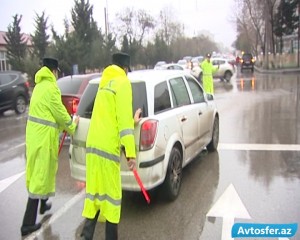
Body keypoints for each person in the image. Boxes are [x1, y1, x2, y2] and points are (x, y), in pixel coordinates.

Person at [80, 52, 142, 240]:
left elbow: (109, 117)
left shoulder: (104, 83)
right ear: (125, 69)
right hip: (108, 150)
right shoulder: (123, 83)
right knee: (113, 199)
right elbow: (122, 123)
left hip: (93, 148)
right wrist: (131, 153)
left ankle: (85, 237)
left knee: (95, 196)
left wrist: (132, 121)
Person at [20, 57, 80, 236]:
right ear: (54, 71)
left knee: (42, 173)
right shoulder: (51, 88)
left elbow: (48, 114)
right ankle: (27, 224)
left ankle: (43, 203)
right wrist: (72, 125)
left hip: (34, 138)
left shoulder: (38, 87)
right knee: (40, 177)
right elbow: (60, 114)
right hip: (43, 140)